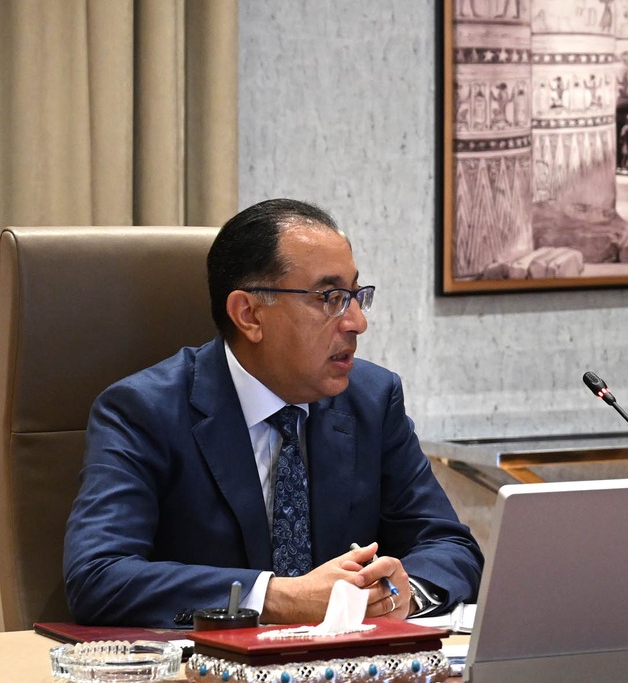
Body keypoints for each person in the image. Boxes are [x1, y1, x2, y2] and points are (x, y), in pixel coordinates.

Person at [63, 199, 484, 627]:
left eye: (356, 296)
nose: (357, 322)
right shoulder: (143, 411)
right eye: (330, 298)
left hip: (351, 663)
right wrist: (277, 597)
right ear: (249, 315)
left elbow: (450, 546)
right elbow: (98, 577)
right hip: (209, 664)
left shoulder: (372, 400)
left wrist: (405, 595)